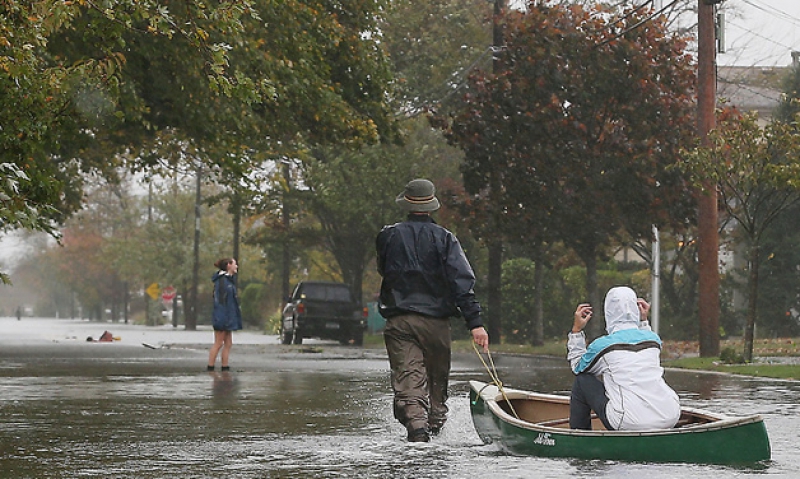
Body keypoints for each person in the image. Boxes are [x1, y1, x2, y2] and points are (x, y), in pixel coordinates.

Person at [376, 178, 490, 443]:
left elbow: (384, 270)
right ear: (431, 205)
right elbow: (462, 282)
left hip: (399, 319)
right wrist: (476, 323)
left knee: (408, 375)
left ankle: (417, 427)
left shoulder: (387, 236)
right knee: (436, 380)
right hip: (436, 323)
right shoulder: (446, 239)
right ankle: (431, 425)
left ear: (406, 204)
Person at [567, 286, 680, 431]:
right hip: (670, 416)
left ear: (607, 313)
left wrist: (576, 331)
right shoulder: (653, 340)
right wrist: (644, 321)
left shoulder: (602, 346)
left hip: (629, 422)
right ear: (635, 309)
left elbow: (577, 366)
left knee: (582, 380)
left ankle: (579, 434)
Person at [207, 258, 242, 372]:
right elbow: (220, 303)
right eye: (235, 264)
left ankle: (225, 366)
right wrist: (222, 319)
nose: (237, 266)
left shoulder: (229, 281)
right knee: (218, 342)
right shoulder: (222, 282)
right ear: (228, 265)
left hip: (228, 317)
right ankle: (210, 367)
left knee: (228, 343)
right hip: (222, 318)